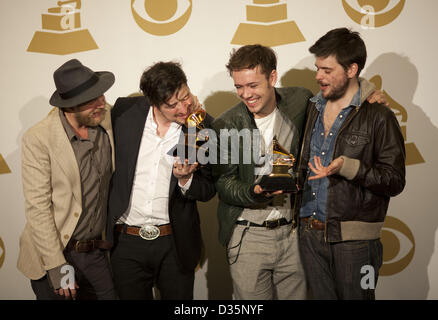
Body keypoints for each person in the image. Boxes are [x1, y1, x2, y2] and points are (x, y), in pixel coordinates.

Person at [211, 44, 386, 300]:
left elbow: (343, 92)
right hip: (248, 235)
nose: (245, 94)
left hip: (293, 234)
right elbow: (224, 183)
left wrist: (369, 92)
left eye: (253, 85)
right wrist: (253, 191)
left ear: (272, 77)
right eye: (239, 87)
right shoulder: (226, 123)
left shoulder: (299, 101)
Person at [295, 28, 406, 300]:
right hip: (309, 233)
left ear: (352, 69)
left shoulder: (379, 116)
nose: (318, 76)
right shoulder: (312, 107)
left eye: (327, 70)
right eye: (317, 68)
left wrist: (349, 166)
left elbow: (394, 180)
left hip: (356, 243)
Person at [107, 61, 216, 300]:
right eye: (172, 105)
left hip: (174, 243)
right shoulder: (123, 112)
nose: (183, 107)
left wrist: (186, 180)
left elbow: (208, 188)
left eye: (185, 96)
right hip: (126, 242)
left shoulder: (203, 127)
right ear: (153, 103)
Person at [17, 59, 117, 300]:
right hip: (57, 252)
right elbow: (38, 208)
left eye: (101, 95)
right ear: (70, 106)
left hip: (96, 252)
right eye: (91, 101)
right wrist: (57, 267)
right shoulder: (39, 139)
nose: (101, 103)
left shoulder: (105, 117)